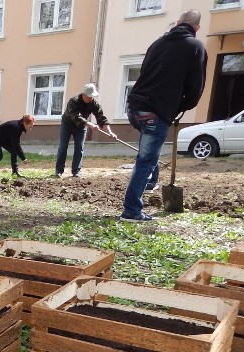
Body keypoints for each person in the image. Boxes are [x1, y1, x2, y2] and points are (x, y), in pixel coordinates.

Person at [121, 9, 207, 222]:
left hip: (135, 107)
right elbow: (196, 86)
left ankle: (149, 183)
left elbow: (145, 73)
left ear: (178, 23)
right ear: (197, 28)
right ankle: (131, 210)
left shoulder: (157, 43)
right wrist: (181, 107)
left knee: (148, 154)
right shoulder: (195, 47)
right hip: (155, 110)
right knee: (146, 158)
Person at [55, 83, 113, 178]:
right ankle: (59, 171)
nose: (91, 99)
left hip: (81, 128)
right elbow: (76, 117)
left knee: (79, 148)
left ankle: (76, 172)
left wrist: (110, 132)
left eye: (92, 96)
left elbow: (101, 118)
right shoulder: (73, 101)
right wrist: (90, 125)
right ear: (83, 94)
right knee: (63, 147)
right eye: (89, 96)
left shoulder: (94, 103)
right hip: (67, 125)